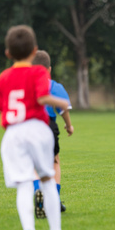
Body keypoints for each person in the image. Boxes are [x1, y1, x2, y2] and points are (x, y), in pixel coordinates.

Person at [0, 25, 70, 230]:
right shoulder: (38, 72)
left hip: (12, 135)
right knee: (47, 180)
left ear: (8, 53)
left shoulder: (4, 76)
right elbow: (41, 96)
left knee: (24, 185)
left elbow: (0, 103)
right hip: (37, 130)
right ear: (34, 50)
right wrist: (60, 104)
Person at [32, 50, 74, 218]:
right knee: (55, 160)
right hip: (49, 125)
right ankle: (54, 199)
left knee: (35, 164)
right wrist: (69, 126)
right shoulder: (55, 86)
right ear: (49, 69)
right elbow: (63, 109)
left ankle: (37, 191)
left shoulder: (28, 85)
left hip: (30, 125)